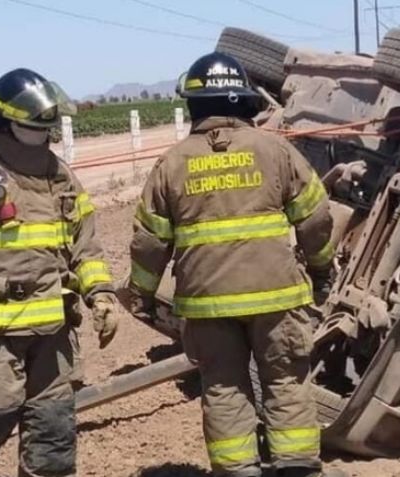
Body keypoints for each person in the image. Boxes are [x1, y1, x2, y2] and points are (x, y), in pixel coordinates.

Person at [128, 52, 344, 477]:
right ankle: (297, 468)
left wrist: (142, 294)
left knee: (224, 389)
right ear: (244, 100)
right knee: (285, 383)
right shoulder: (275, 151)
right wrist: (321, 271)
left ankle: (237, 470)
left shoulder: (171, 164)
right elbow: (317, 219)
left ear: (193, 106)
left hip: (208, 307)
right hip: (277, 299)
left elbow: (149, 241)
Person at [0, 68, 118, 477]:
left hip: (53, 334)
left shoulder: (61, 176)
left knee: (53, 433)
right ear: (6, 123)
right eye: (38, 126)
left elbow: (86, 244)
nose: (45, 135)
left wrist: (100, 293)